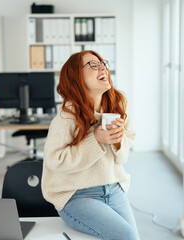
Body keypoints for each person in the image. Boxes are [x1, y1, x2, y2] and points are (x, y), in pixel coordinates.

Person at [41, 50, 139, 240]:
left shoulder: (117, 107)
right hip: (77, 195)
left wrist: (119, 140)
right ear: (76, 77)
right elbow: (56, 161)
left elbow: (123, 157)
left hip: (113, 187)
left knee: (133, 237)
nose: (102, 67)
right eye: (93, 65)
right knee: (128, 237)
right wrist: (96, 140)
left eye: (103, 63)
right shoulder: (66, 117)